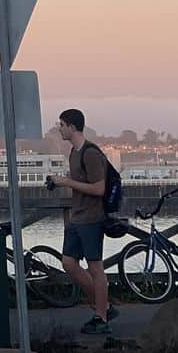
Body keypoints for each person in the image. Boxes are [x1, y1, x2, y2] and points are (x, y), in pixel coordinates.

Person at [51, 108, 118, 335]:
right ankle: (105, 305)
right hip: (77, 216)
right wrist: (61, 181)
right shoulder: (73, 153)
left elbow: (100, 188)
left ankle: (101, 318)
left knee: (95, 267)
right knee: (68, 262)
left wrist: (67, 183)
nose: (59, 128)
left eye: (61, 124)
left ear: (72, 126)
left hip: (91, 217)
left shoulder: (90, 153)